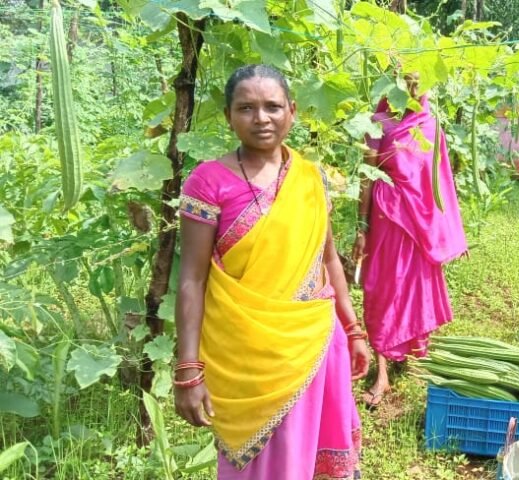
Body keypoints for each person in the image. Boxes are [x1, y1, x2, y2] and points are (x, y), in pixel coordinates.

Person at [173, 64, 369, 479]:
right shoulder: (207, 183)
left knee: (315, 454)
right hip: (246, 356)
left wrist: (352, 329)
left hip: (315, 342)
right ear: (228, 116)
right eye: (246, 108)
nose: (261, 118)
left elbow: (328, 258)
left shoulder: (310, 177)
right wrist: (188, 369)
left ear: (292, 112)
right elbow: (191, 279)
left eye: (272, 107)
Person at [353, 73, 467, 407]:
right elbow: (367, 173)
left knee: (415, 287)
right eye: (407, 81)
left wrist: (450, 232)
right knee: (383, 288)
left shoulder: (430, 123)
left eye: (421, 81)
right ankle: (383, 371)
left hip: (421, 224)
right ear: (393, 84)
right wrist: (362, 225)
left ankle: (412, 351)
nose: (415, 88)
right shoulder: (379, 122)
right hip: (388, 217)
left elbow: (441, 181)